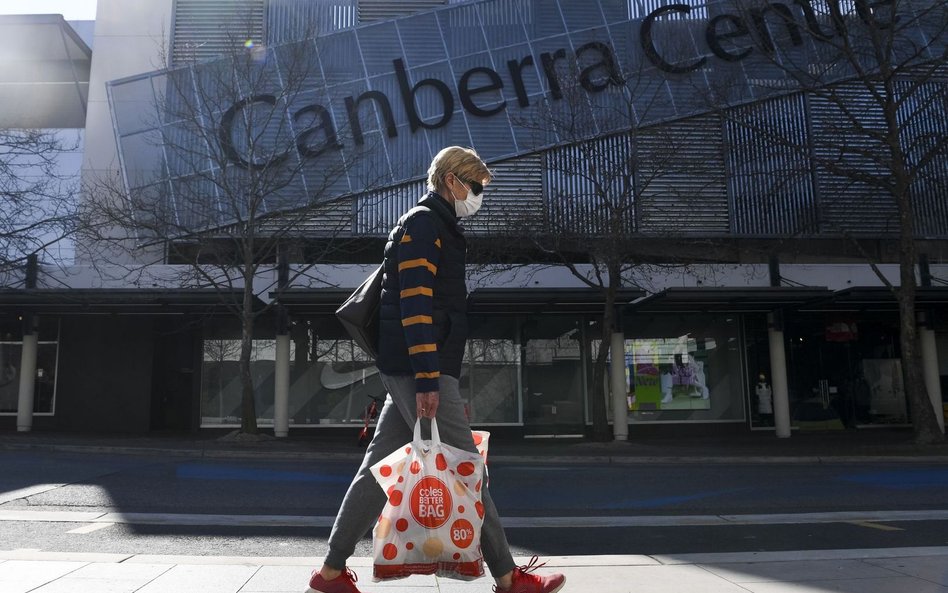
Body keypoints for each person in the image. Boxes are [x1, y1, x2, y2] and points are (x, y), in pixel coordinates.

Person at [307, 147, 566, 593]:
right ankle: (508, 579)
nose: (479, 195)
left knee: (375, 472)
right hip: (418, 369)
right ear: (452, 180)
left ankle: (329, 574)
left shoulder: (437, 226)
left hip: (412, 366)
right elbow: (416, 306)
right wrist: (429, 378)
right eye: (476, 185)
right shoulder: (425, 225)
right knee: (468, 469)